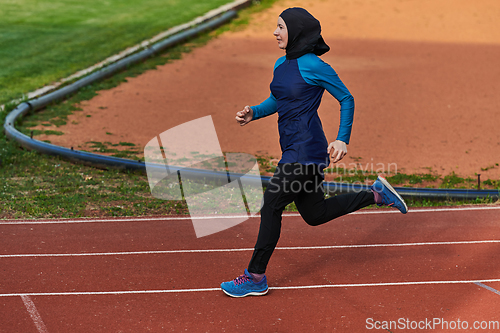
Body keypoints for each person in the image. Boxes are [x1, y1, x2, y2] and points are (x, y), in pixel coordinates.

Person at [220, 7, 407, 298]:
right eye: (276, 26)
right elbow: (278, 99)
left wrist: (342, 139)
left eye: (280, 27)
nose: (275, 32)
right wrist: (254, 112)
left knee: (271, 204)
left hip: (305, 150)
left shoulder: (314, 65)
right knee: (315, 213)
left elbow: (346, 98)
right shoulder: (281, 65)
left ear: (296, 31)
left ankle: (255, 276)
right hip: (294, 149)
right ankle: (377, 194)